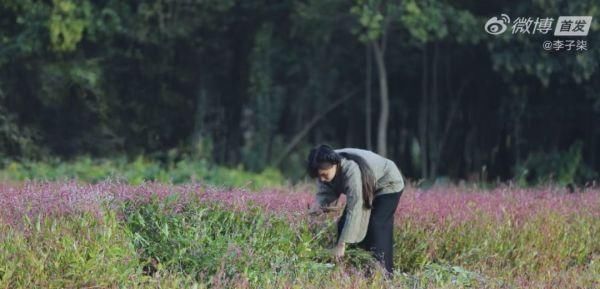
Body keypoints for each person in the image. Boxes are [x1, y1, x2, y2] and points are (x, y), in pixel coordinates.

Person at [307, 144, 404, 275]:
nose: (322, 180)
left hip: (387, 182)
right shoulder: (322, 163)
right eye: (319, 177)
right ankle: (354, 268)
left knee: (376, 226)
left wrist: (342, 244)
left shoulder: (351, 169)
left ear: (334, 165)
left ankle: (383, 274)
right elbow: (324, 195)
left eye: (324, 175)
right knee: (343, 224)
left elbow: (356, 206)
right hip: (367, 186)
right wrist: (316, 209)